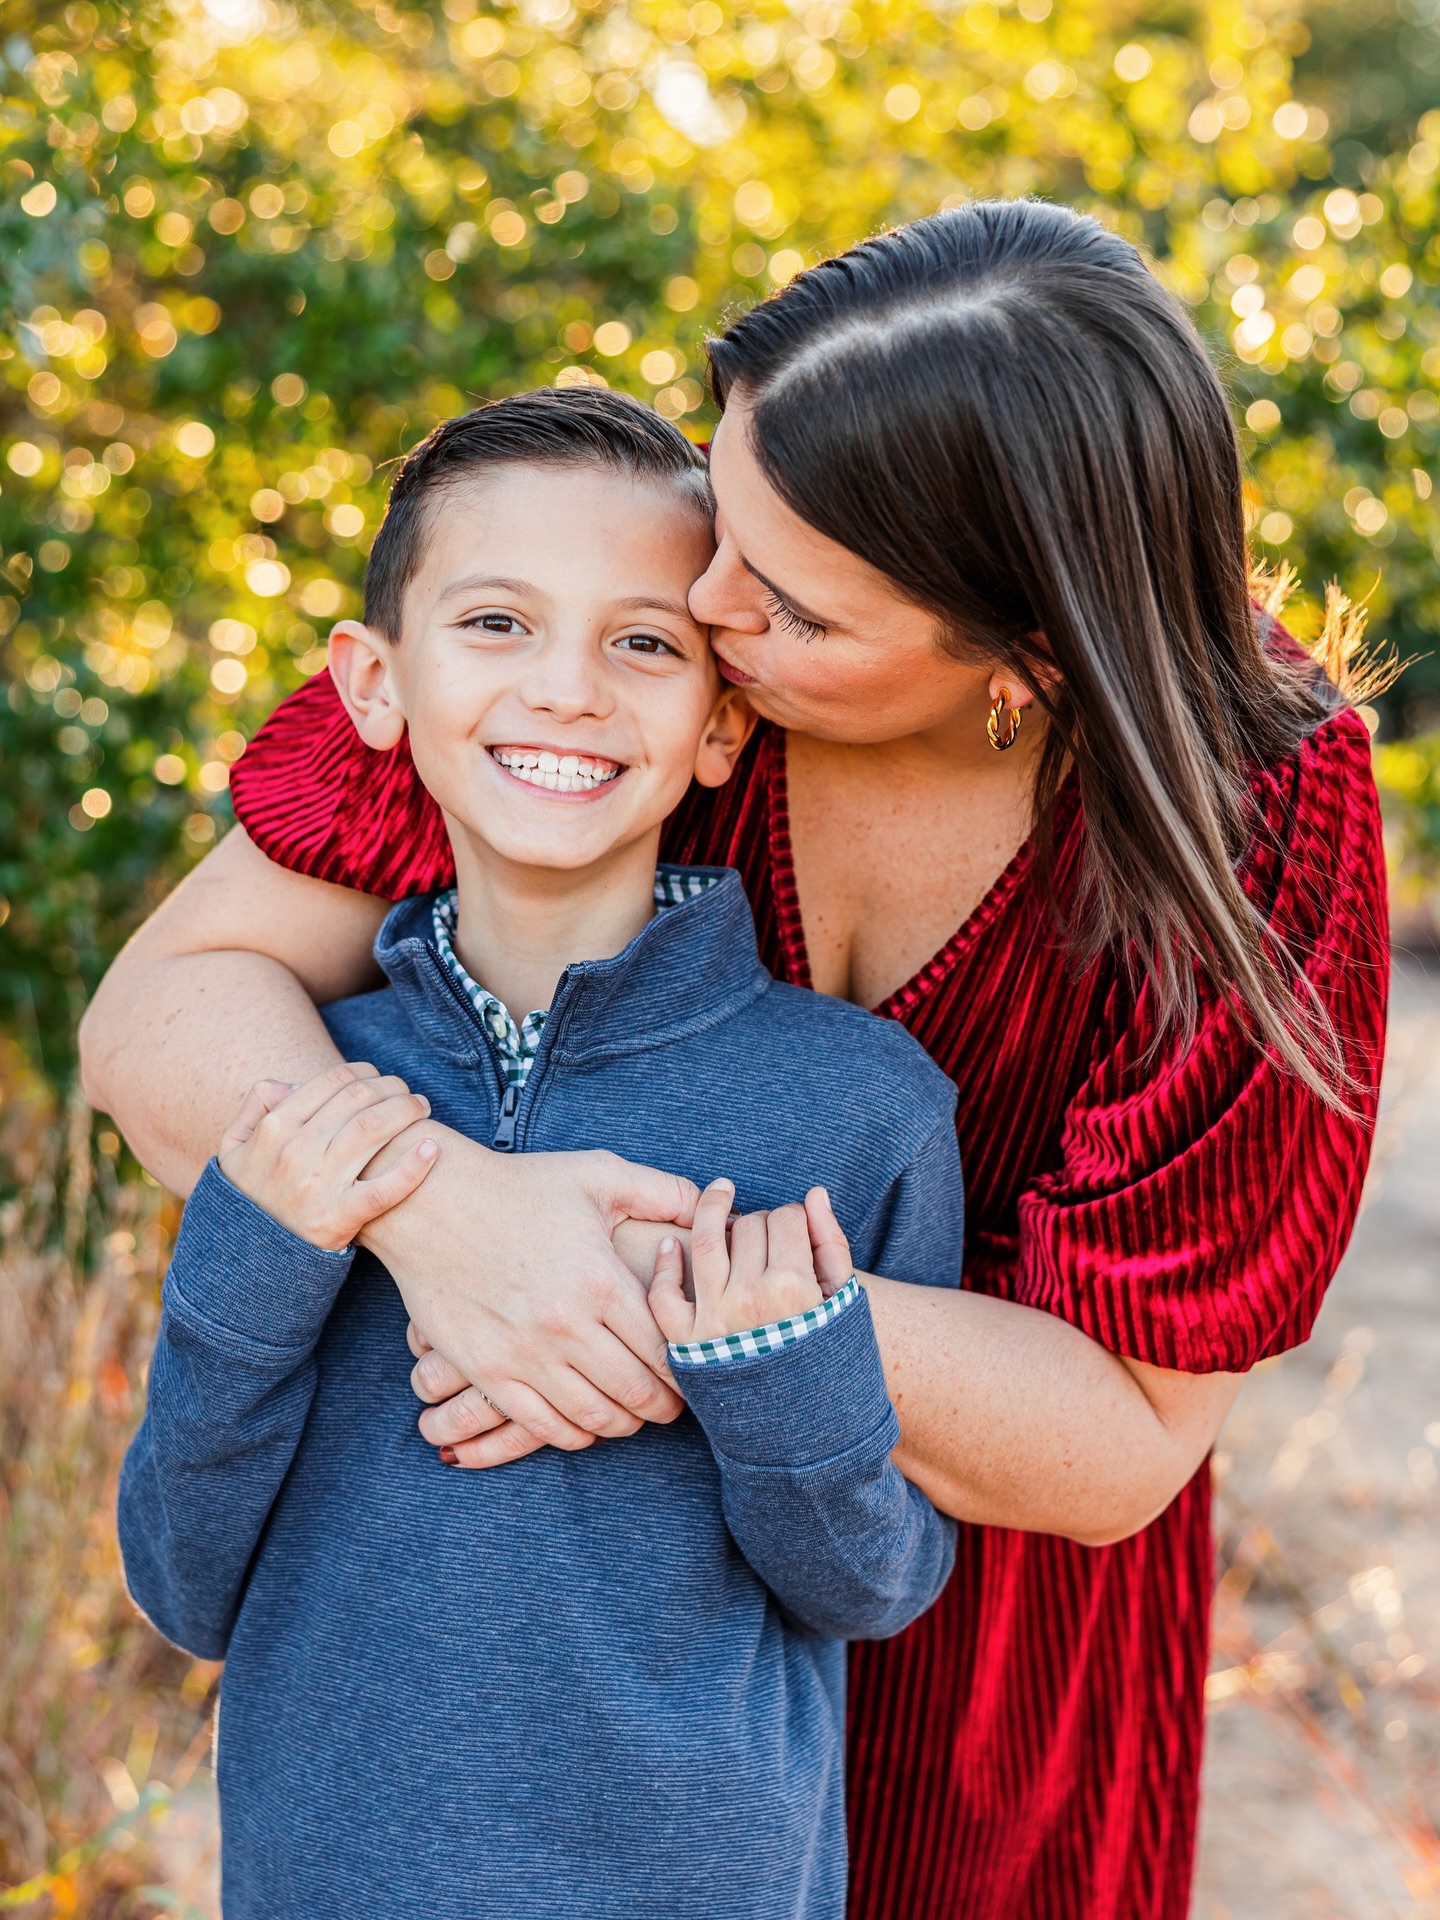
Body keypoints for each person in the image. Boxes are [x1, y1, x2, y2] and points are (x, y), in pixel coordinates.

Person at [83, 200, 1390, 1920]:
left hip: (964, 1651)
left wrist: (617, 1271)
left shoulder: (1257, 815)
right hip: (516, 1676)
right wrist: (452, 1215)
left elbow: (1123, 1429)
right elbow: (165, 1007)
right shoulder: (592, 622)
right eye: (725, 499)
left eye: (784, 608)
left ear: (1031, 654)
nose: (701, 605)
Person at [116, 390, 964, 1920]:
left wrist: (774, 1370)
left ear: (722, 723)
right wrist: (265, 1251)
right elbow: (183, 1585)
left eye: (643, 641)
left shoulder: (858, 1108)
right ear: (374, 686)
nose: (567, 690)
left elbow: (877, 1587)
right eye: (497, 623)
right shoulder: (318, 1104)